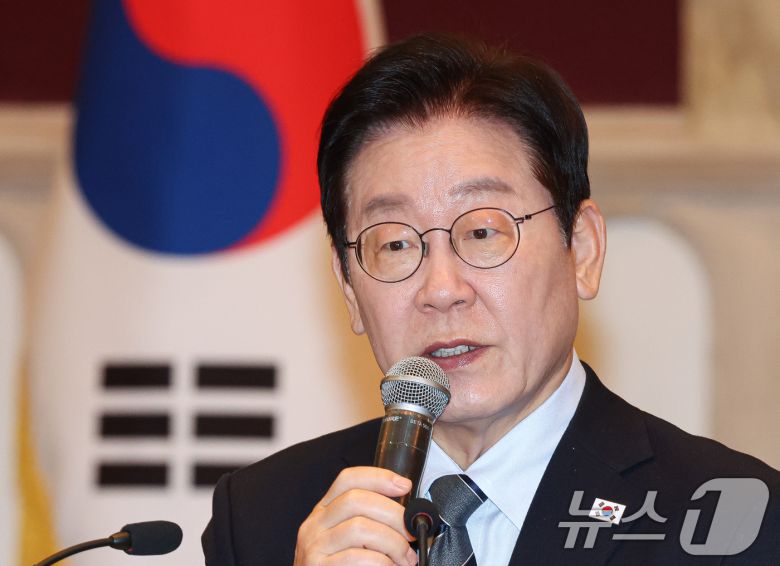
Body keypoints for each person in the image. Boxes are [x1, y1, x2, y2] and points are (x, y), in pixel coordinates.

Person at [202, 34, 779, 565]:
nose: (442, 290)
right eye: (396, 244)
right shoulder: (264, 518)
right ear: (349, 286)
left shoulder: (738, 522)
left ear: (582, 249)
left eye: (482, 232)